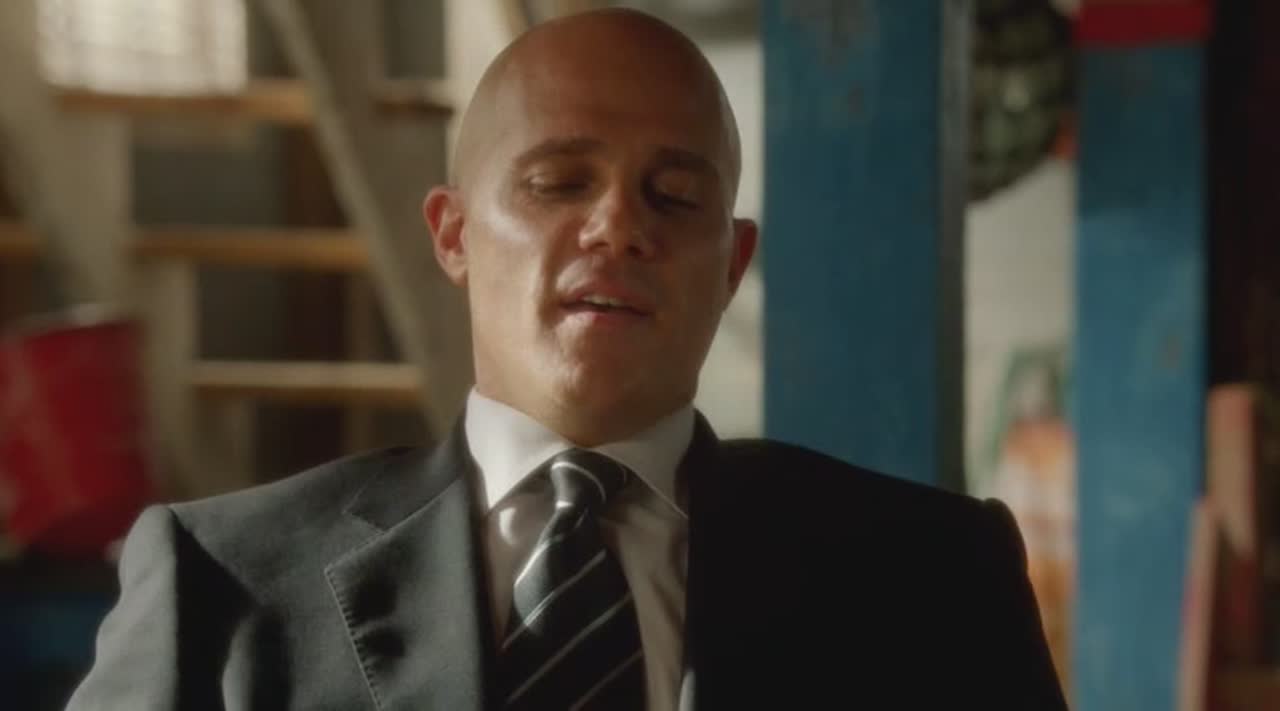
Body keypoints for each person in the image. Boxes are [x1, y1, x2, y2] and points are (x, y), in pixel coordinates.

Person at [65, 8, 1067, 711]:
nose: (618, 226)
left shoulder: (932, 577)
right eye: (558, 182)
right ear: (453, 234)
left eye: (674, 197)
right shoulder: (225, 585)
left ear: (732, 264)